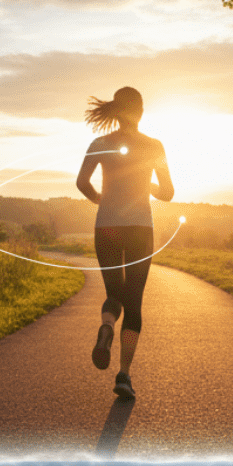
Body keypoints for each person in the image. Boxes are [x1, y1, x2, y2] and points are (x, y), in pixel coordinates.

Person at [76, 87, 174, 398]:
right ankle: (123, 375)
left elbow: (81, 182)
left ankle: (107, 326)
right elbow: (168, 192)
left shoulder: (100, 143)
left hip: (106, 226)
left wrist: (100, 200)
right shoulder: (154, 145)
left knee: (113, 293)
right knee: (134, 302)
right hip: (139, 230)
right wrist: (148, 186)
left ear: (116, 112)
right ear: (141, 112)